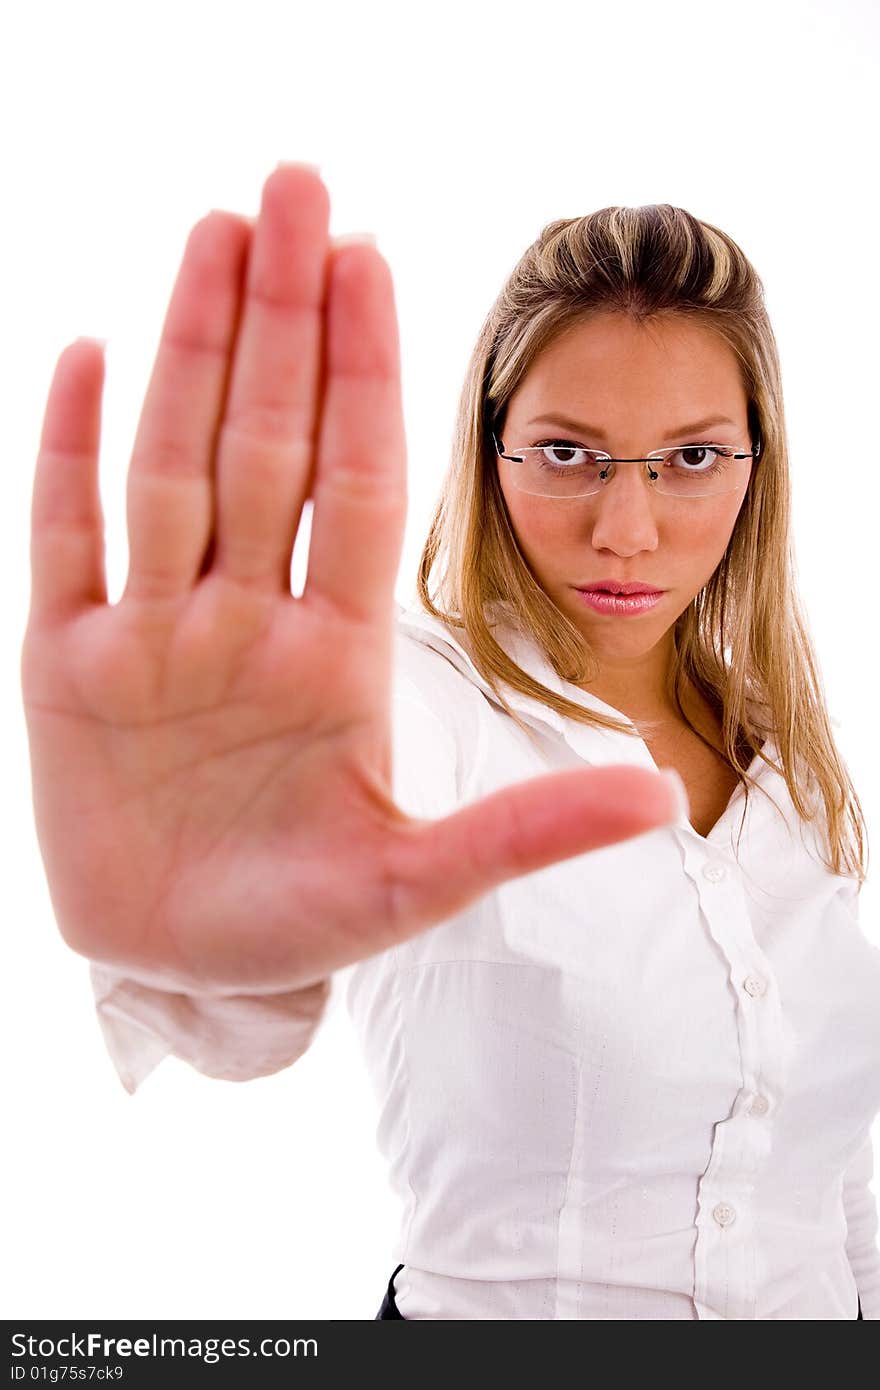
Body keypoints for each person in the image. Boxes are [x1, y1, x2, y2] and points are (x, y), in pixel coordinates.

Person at [21, 164, 878, 1320]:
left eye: (688, 459)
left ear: (755, 468)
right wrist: (214, 933)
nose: (627, 531)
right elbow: (283, 923)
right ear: (489, 449)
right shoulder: (426, 701)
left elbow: (833, 1185)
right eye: (567, 453)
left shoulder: (792, 764)